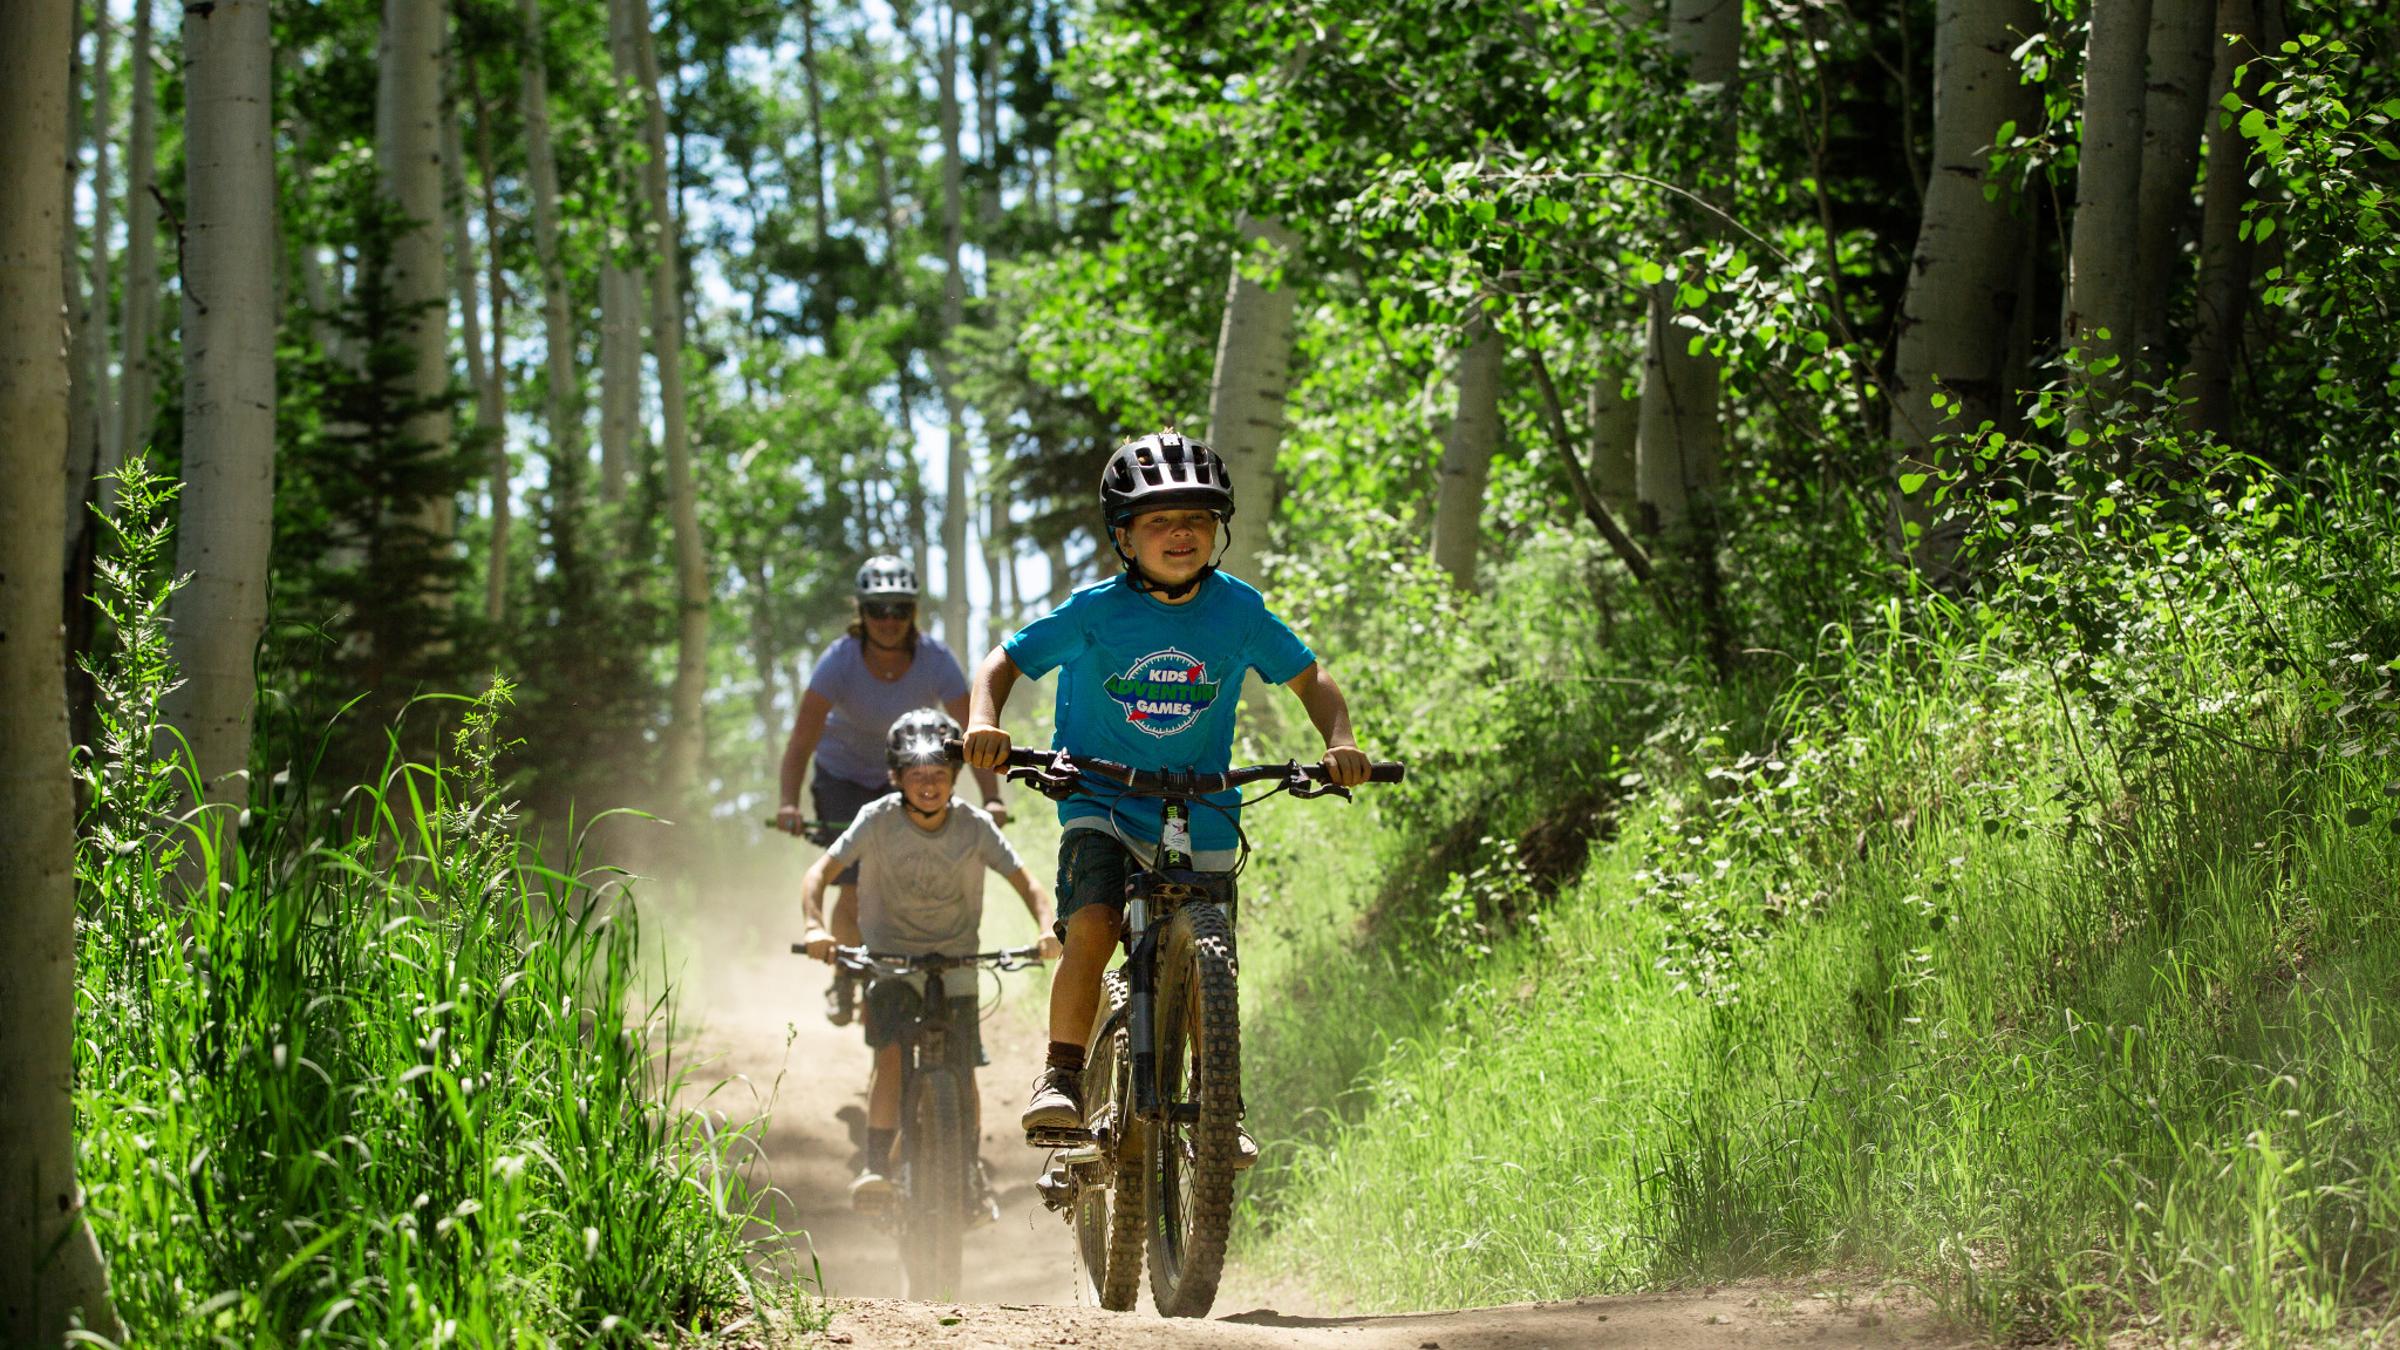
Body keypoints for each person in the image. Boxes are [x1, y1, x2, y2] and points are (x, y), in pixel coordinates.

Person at [958, 430, 1373, 1152]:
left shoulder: (1239, 611)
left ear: (1217, 531)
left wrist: (1338, 742)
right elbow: (1002, 663)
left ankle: (1220, 1110)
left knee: (1214, 959)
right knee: (1092, 925)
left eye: (1197, 519)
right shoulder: (1094, 611)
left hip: (1201, 807)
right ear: (1124, 536)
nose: (1181, 533)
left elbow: (1311, 678)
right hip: (1103, 800)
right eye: (1159, 521)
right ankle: (1059, 1074)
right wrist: (984, 723)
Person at [799, 709, 1062, 1211]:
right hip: (890, 963)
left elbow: (1026, 882)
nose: (929, 784)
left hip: (957, 961)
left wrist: (1046, 926)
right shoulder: (876, 820)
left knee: (963, 1068)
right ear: (896, 777)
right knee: (892, 1055)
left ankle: (968, 1176)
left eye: (939, 774)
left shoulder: (974, 825)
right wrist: (815, 926)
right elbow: (819, 874)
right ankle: (877, 1166)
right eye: (916, 775)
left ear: (954, 777)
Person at [779, 556, 1007, 1023]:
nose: (888, 621)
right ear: (861, 612)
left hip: (909, 773)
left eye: (899, 610)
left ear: (913, 613)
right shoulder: (839, 661)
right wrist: (788, 801)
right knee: (855, 888)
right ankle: (845, 975)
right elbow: (802, 738)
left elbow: (972, 733)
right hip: (844, 777)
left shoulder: (936, 659)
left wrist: (993, 797)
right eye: (877, 610)